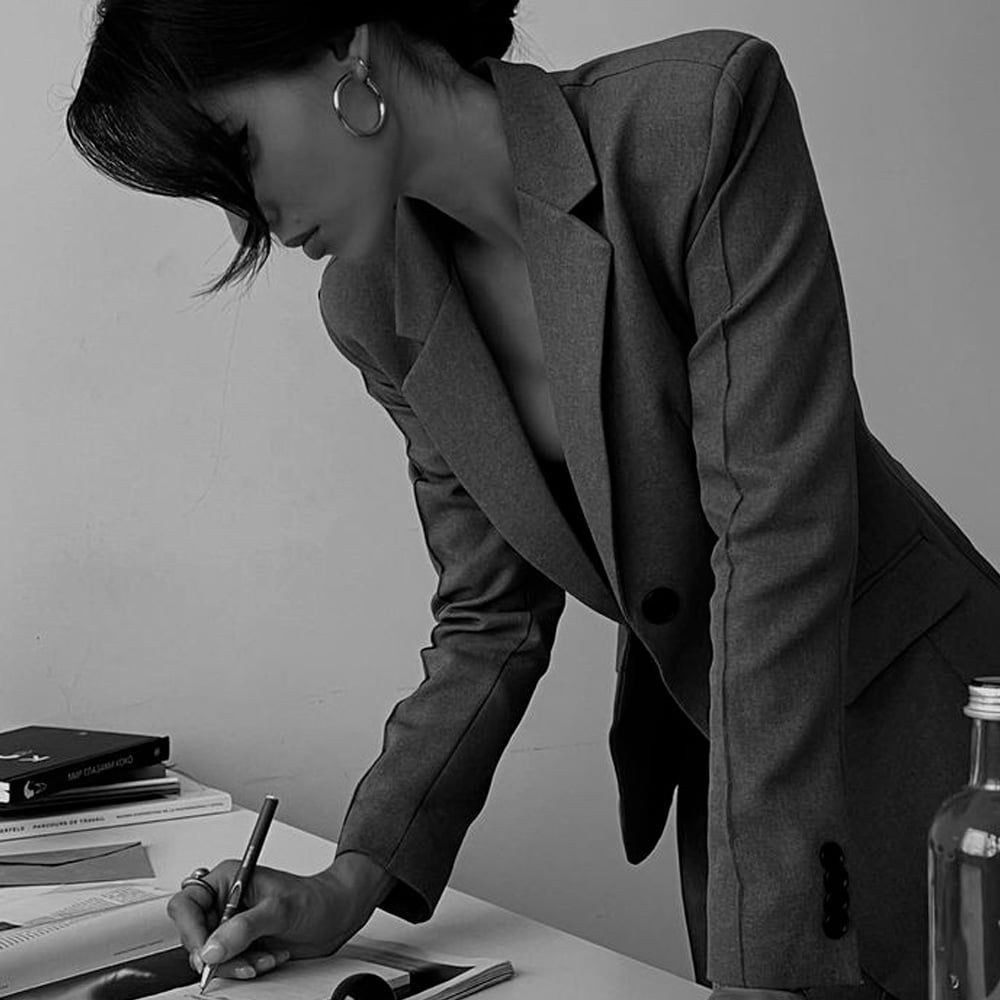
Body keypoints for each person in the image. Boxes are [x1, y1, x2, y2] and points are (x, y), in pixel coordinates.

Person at [65, 4, 1000, 1000]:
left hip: (933, 737)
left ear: (348, 47)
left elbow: (779, 538)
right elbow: (488, 615)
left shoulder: (694, 117)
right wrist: (350, 880)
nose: (258, 219)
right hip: (733, 780)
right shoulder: (371, 304)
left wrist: (760, 963)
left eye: (241, 151)